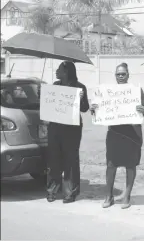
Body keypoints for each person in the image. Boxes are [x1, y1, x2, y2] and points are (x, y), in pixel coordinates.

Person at [90, 62, 144, 209]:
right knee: (111, 165)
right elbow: (99, 110)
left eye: (123, 74)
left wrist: (143, 110)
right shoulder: (107, 92)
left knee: (131, 165)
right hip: (115, 133)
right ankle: (109, 196)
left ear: (128, 75)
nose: (120, 76)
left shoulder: (136, 90)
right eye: (118, 74)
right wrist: (94, 109)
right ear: (115, 75)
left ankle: (127, 196)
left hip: (132, 134)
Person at [46, 61, 89, 203]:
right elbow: (48, 105)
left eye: (59, 70)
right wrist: (43, 96)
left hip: (72, 130)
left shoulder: (80, 87)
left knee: (71, 160)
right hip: (55, 128)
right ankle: (52, 190)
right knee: (54, 159)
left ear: (67, 72)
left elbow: (84, 109)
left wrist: (82, 99)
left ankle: (70, 192)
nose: (56, 72)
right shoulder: (55, 86)